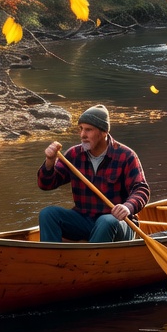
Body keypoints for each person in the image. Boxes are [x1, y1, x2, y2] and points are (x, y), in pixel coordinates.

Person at [36, 104, 149, 243]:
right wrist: (50, 161)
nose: (83, 135)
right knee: (48, 214)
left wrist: (128, 206)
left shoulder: (126, 156)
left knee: (106, 221)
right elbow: (46, 184)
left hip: (119, 223)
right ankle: (52, 260)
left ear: (103, 132)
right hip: (84, 220)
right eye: (81, 129)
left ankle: (90, 261)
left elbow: (141, 189)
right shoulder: (74, 154)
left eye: (88, 130)